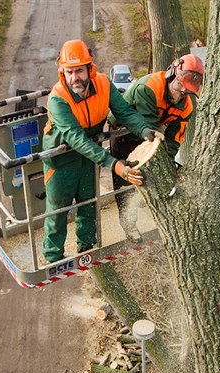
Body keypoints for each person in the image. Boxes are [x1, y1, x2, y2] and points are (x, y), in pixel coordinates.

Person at [41, 39, 162, 264]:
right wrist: (114, 164)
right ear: (62, 73)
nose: (75, 77)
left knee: (88, 204)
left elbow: (125, 112)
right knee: (58, 210)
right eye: (69, 72)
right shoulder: (58, 98)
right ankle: (52, 257)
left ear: (90, 68)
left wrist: (145, 130)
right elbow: (76, 138)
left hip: (89, 156)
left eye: (79, 70)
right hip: (61, 160)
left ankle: (86, 248)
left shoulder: (104, 84)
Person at [108, 54, 204, 243]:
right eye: (179, 87)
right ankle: (129, 225)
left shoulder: (186, 107)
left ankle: (152, 212)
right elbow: (148, 126)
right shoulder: (149, 88)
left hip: (151, 136)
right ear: (172, 74)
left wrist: (168, 159)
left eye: (186, 91)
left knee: (152, 176)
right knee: (125, 182)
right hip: (123, 133)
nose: (181, 94)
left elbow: (175, 137)